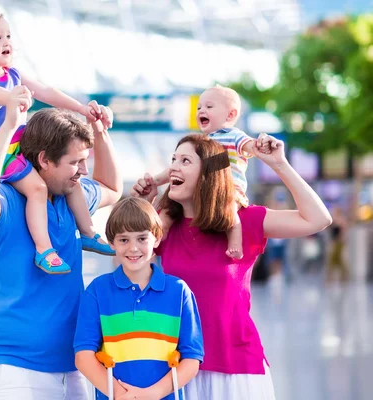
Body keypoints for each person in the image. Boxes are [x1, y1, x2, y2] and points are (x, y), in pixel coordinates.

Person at [132, 134, 332, 400]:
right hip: (177, 367)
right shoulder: (165, 227)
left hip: (236, 368)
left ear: (208, 174)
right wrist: (145, 206)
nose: (174, 168)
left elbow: (318, 219)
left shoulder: (243, 221)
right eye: (173, 160)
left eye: (185, 160)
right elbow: (125, 262)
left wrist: (279, 164)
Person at [0, 87, 122, 399]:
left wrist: (99, 131)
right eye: (76, 162)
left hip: (70, 367)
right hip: (11, 368)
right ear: (44, 160)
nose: (83, 171)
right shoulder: (5, 200)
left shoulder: (70, 198)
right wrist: (7, 127)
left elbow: (111, 187)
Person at [0, 12, 113, 275]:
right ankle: (44, 249)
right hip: (5, 153)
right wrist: (12, 96)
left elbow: (46, 92)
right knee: (38, 189)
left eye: (8, 35)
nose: (6, 41)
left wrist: (81, 109)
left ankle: (87, 231)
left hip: (25, 147)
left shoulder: (13, 73)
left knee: (70, 179)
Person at [74, 197, 203, 400]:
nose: (133, 248)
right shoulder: (97, 291)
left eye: (142, 239)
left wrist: (152, 395)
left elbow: (192, 358)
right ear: (111, 243)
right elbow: (83, 357)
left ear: (157, 239)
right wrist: (121, 395)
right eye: (124, 240)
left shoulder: (179, 292)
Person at [151, 85, 272, 259]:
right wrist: (156, 180)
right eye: (199, 107)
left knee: (230, 211)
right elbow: (175, 169)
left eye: (209, 107)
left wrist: (259, 145)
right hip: (205, 191)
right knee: (167, 211)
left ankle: (235, 243)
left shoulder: (233, 135)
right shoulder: (201, 142)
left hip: (229, 190)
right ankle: (161, 236)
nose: (201, 110)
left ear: (230, 115)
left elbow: (249, 146)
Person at [325, 206, 349, 283]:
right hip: (334, 241)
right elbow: (328, 228)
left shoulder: (341, 220)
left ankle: (333, 276)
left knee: (334, 259)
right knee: (337, 259)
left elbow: (343, 231)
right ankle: (341, 275)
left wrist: (339, 239)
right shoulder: (334, 220)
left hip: (339, 242)